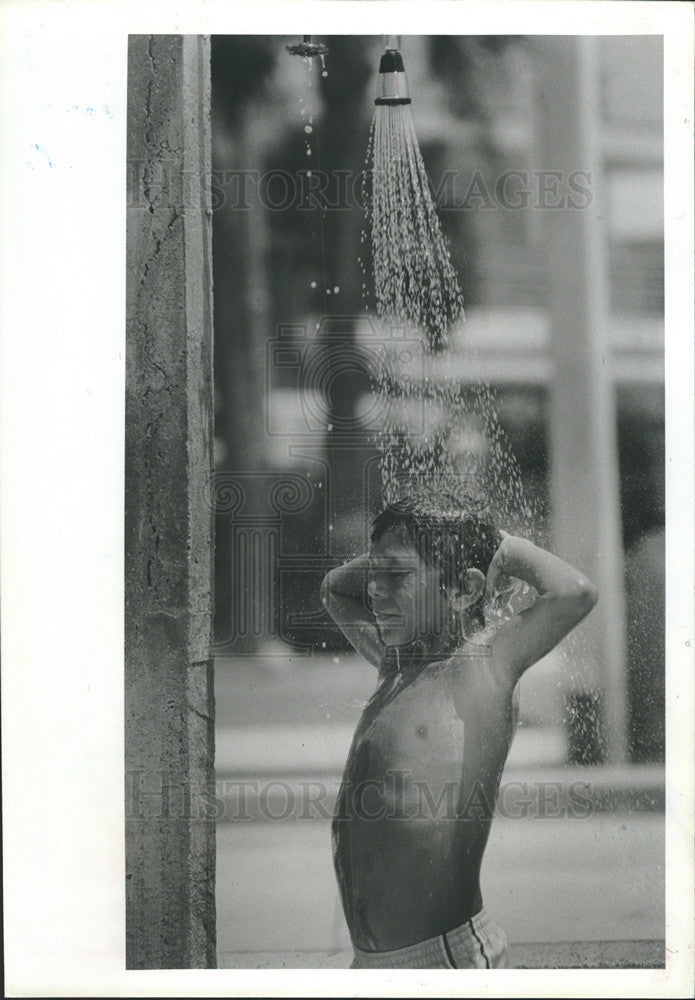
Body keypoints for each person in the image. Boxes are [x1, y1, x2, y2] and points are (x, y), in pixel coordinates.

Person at [320, 490, 599, 969]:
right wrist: (398, 550)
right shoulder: (397, 666)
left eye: (395, 577)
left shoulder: (482, 668)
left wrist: (497, 545)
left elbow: (575, 592)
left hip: (442, 957)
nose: (373, 590)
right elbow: (334, 590)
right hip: (372, 962)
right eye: (375, 575)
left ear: (464, 590)